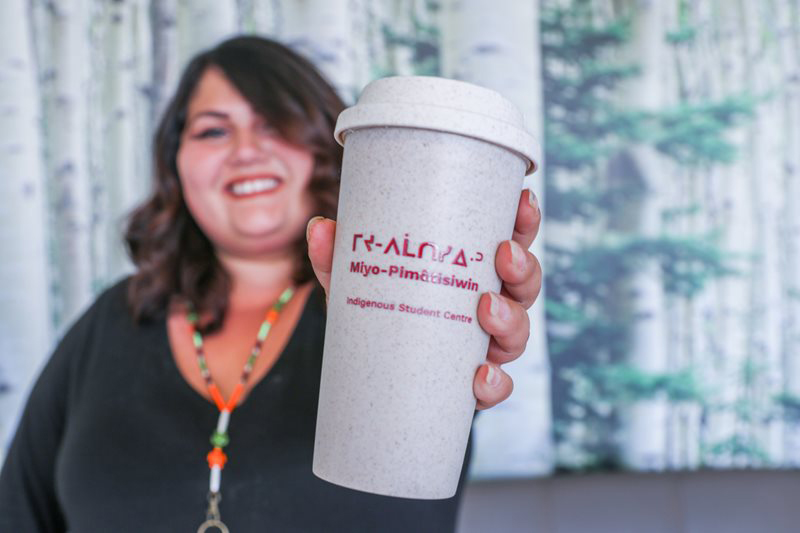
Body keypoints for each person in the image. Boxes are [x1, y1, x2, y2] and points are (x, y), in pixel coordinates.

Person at [0, 35, 542, 532]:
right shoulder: (111, 324)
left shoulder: (391, 301)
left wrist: (447, 320)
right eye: (213, 130)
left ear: (326, 149)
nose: (245, 150)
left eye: (274, 124)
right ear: (175, 163)